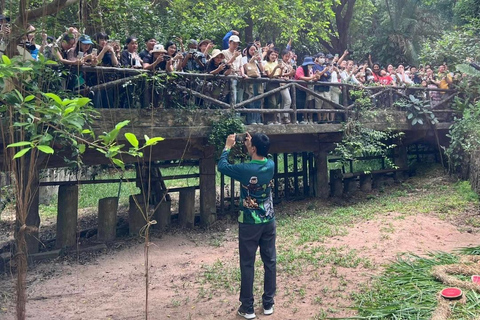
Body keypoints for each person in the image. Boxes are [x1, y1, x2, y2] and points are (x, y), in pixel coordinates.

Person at [217, 132, 276, 320]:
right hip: (268, 220)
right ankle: (268, 303)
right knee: (270, 261)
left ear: (254, 148)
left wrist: (228, 146)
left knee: (247, 264)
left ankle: (247, 307)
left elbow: (222, 166)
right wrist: (252, 145)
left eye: (251, 144)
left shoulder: (245, 169)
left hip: (249, 223)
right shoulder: (270, 165)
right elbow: (260, 156)